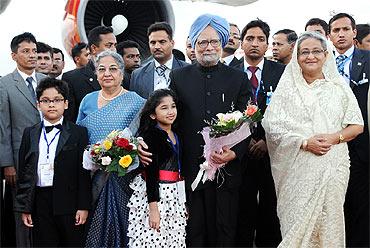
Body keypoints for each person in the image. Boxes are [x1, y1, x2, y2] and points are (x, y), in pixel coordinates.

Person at [262, 31, 364, 247]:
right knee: (296, 229)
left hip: (333, 167)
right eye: (304, 52)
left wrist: (334, 138)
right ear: (297, 57)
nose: (311, 56)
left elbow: (357, 125)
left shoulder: (338, 89)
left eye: (317, 51)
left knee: (329, 226)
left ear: (326, 55)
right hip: (296, 171)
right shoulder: (287, 90)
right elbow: (272, 127)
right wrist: (305, 142)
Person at [168, 14, 251, 246]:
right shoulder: (178, 77)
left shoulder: (239, 78)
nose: (208, 47)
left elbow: (249, 121)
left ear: (223, 43)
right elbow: (170, 118)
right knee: (193, 230)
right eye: (202, 42)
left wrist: (234, 152)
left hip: (227, 168)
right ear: (193, 45)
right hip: (190, 169)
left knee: (225, 229)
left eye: (214, 41)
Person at [76, 50, 145, 247]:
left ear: (122, 74)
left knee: (123, 228)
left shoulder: (136, 101)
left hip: (124, 176)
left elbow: (141, 138)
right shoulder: (87, 100)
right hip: (92, 176)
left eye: (113, 69)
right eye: (101, 69)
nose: (107, 73)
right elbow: (79, 136)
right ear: (96, 74)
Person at [14, 78, 92, 247]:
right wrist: (25, 207)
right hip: (40, 202)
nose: (51, 105)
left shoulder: (79, 133)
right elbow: (24, 172)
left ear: (65, 104)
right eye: (45, 101)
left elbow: (83, 172)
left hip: (69, 203)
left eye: (57, 100)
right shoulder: (30, 133)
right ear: (38, 104)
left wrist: (83, 206)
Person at [235, 19, 285, 247]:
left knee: (270, 214)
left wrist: (267, 140)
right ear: (241, 42)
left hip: (272, 154)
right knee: (241, 214)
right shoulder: (230, 72)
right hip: (237, 154)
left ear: (267, 44)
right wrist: (243, 141)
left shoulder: (282, 73)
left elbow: (288, 112)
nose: (255, 43)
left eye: (260, 39)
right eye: (250, 38)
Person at [0, 32, 46, 247]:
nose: (32, 56)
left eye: (34, 51)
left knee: (45, 210)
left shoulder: (48, 82)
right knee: (22, 213)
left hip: (49, 157)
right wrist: (7, 163)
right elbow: (4, 127)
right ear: (14, 55)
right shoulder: (6, 84)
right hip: (20, 160)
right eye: (25, 51)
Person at [329, 13, 369, 247]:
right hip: (331, 144)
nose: (341, 34)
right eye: (336, 30)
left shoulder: (369, 59)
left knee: (361, 204)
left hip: (362, 144)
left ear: (354, 33)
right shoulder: (321, 62)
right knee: (335, 204)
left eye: (345, 29)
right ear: (329, 35)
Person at [127, 89, 186, 247]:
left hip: (174, 194)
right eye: (164, 108)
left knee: (172, 240)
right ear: (153, 114)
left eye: (173, 106)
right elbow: (151, 174)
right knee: (153, 238)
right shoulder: (150, 137)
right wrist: (153, 209)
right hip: (156, 195)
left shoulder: (177, 134)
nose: (170, 111)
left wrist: (183, 202)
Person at [62, 26, 117, 122]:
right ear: (94, 48)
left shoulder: (124, 76)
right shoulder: (72, 78)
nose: (114, 50)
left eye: (115, 45)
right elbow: (69, 119)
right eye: (109, 45)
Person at [130, 22, 188, 99]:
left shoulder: (188, 71)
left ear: (172, 43)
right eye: (153, 43)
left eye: (162, 42)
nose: (157, 46)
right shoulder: (137, 75)